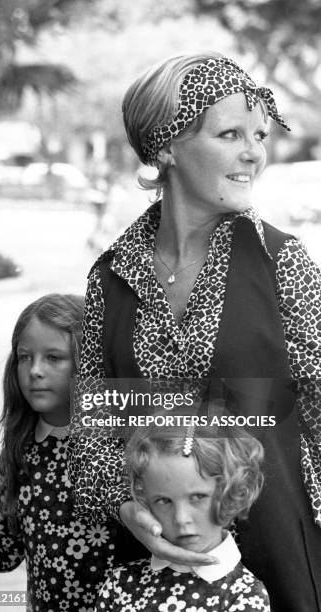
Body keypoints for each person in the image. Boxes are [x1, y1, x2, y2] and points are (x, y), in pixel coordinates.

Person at [68, 53, 321, 612]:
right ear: (166, 147)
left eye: (258, 134)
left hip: (279, 554)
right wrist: (126, 508)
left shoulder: (284, 262)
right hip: (154, 567)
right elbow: (94, 436)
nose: (254, 153)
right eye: (230, 134)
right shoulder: (110, 279)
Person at [0, 294, 116, 611]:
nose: (35, 370)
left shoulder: (119, 444)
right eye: (24, 357)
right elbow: (4, 549)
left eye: (54, 358)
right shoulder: (20, 448)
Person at [94, 418, 270, 611]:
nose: (181, 519)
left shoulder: (244, 594)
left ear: (230, 493)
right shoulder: (120, 584)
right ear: (144, 501)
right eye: (164, 501)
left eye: (197, 497)